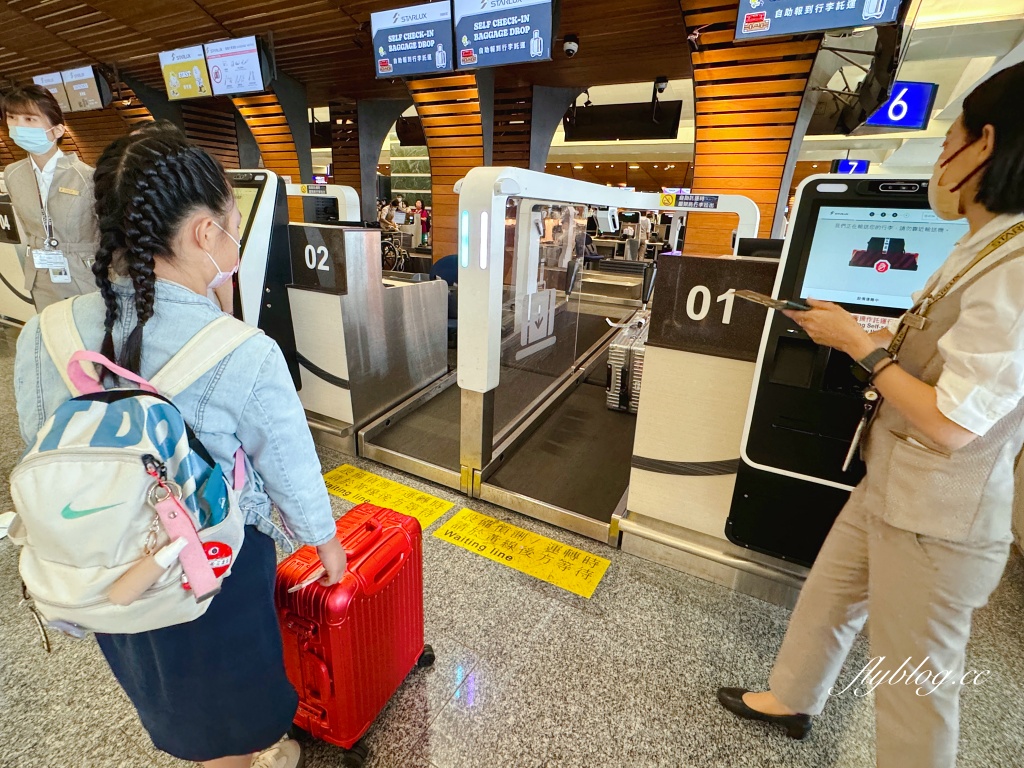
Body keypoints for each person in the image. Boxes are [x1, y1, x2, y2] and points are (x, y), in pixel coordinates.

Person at [718, 63, 1024, 768]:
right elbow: (936, 350)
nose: (942, 151)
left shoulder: (1014, 266)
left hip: (940, 519)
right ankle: (791, 699)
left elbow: (954, 423)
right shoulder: (984, 243)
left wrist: (860, 349)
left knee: (915, 685)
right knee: (828, 596)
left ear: (985, 146)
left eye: (952, 134)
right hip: (893, 479)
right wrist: (866, 331)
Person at [14, 132, 346, 768]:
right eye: (227, 224)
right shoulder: (243, 350)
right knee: (224, 712)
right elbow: (289, 465)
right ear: (202, 233)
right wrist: (324, 542)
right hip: (211, 567)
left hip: (108, 567)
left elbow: (45, 449)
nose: (232, 241)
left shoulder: (43, 333)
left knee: (169, 693)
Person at [2, 85, 99, 311]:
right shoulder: (14, 174)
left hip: (84, 274)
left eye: (29, 119)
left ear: (56, 130)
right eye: (12, 117)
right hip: (41, 275)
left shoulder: (87, 177)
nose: (19, 125)